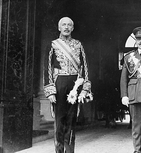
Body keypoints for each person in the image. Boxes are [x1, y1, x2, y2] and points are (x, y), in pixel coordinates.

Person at [43, 17, 92, 153]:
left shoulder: (79, 45)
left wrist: (85, 89)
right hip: (59, 84)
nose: (66, 27)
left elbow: (85, 68)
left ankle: (70, 151)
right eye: (63, 25)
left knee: (71, 121)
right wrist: (50, 91)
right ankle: (59, 150)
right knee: (59, 122)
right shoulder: (53, 45)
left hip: (74, 85)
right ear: (59, 28)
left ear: (72, 28)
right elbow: (46, 68)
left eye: (69, 25)